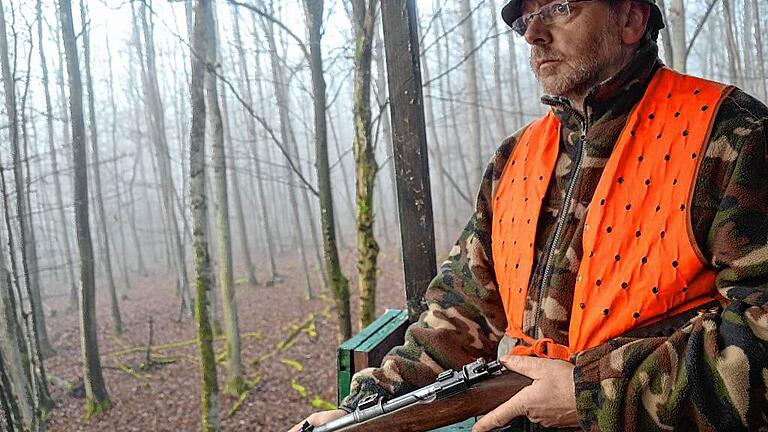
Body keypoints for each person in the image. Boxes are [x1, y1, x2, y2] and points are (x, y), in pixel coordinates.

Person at [290, 0, 768, 431]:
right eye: (525, 19)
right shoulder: (514, 158)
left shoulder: (735, 136)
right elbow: (459, 314)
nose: (532, 34)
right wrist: (362, 412)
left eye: (559, 8)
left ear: (630, 19)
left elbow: (760, 336)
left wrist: (591, 396)